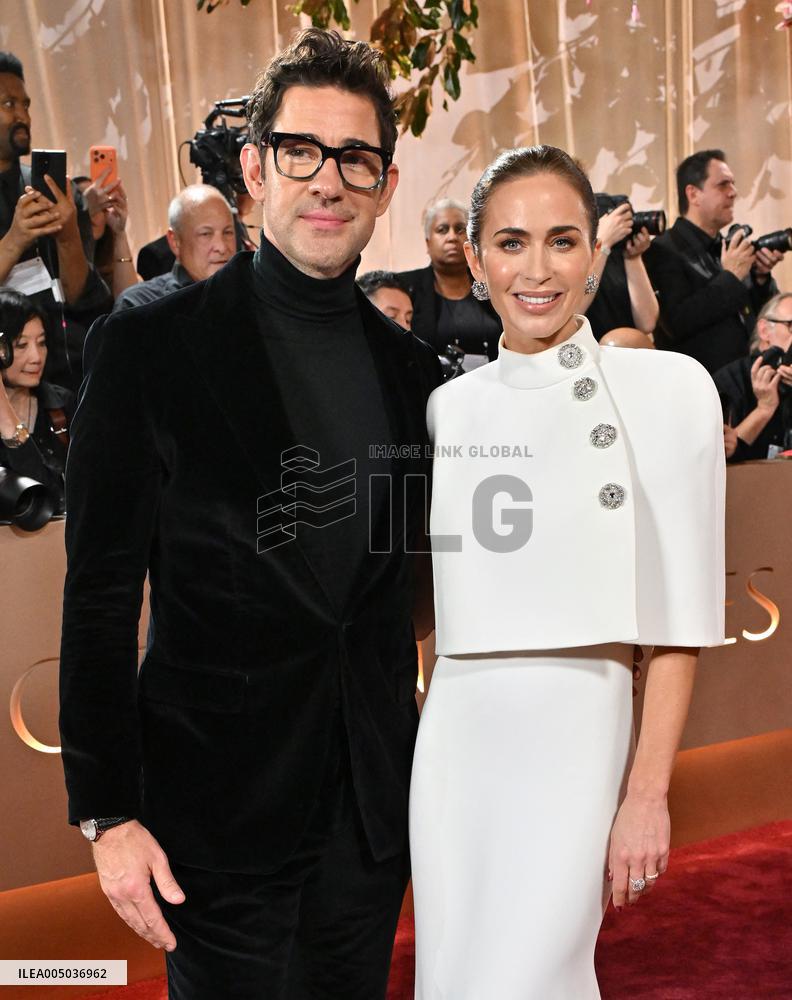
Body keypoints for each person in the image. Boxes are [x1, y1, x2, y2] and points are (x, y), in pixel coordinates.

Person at [59, 28, 441, 1000]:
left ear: (385, 185)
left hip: (367, 818)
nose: (329, 180)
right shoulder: (149, 347)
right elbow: (100, 596)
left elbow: (395, 593)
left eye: (356, 157)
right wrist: (108, 814)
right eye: (302, 151)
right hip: (213, 823)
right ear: (256, 168)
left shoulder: (412, 373)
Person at [409, 145, 725, 999]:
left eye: (561, 240)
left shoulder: (671, 390)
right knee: (456, 976)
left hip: (578, 727)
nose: (536, 269)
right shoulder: (446, 409)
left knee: (533, 972)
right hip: (456, 735)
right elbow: (424, 607)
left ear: (595, 250)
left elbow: (678, 625)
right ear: (474, 259)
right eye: (510, 244)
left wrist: (646, 795)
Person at [0, 51, 112, 391]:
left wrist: (68, 237)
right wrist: (15, 240)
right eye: (8, 105)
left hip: (72, 373)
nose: (23, 116)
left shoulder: (50, 188)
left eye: (26, 104)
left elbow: (80, 295)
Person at [644, 149, 783, 374]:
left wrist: (760, 279)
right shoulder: (662, 249)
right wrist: (730, 277)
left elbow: (756, 317)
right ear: (693, 194)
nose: (734, 192)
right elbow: (675, 323)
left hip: (745, 382)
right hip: (699, 384)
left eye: (733, 184)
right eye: (723, 185)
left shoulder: (728, 246)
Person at [396, 197, 501, 366]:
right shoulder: (405, 288)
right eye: (442, 230)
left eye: (460, 229)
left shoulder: (494, 286)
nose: (452, 237)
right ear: (428, 243)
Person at [0, 287, 73, 514]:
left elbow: (45, 504)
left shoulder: (62, 406)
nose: (36, 357)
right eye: (21, 345)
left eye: (41, 343)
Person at [113, 184, 235, 311]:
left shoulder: (250, 294)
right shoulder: (142, 305)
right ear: (175, 241)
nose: (221, 247)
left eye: (228, 232)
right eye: (205, 234)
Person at [713, 292, 792, 461]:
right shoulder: (731, 380)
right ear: (764, 330)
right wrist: (764, 408)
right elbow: (722, 455)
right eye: (791, 325)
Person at [584, 199, 658, 339]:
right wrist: (603, 245)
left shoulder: (620, 253)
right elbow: (581, 301)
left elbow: (647, 323)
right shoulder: (579, 256)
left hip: (625, 354)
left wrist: (633, 258)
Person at [74, 171, 138, 299]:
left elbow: (129, 303)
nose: (92, 214)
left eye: (101, 207)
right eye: (83, 204)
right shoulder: (61, 267)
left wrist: (120, 233)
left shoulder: (110, 265)